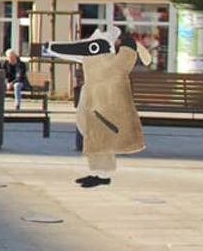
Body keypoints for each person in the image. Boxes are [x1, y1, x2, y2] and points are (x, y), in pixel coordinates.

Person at [44, 25, 151, 188]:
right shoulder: (94, 60)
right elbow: (74, 51)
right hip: (94, 105)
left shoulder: (114, 63)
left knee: (101, 139)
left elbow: (126, 57)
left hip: (107, 108)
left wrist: (129, 45)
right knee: (93, 137)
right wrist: (51, 48)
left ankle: (103, 174)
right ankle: (97, 172)